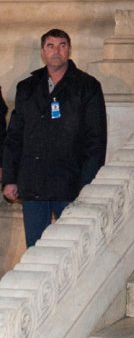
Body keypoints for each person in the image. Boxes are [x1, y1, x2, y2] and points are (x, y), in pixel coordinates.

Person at [2, 29, 107, 248]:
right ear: (43, 52)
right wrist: (10, 178)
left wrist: (86, 185)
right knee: (36, 248)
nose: (56, 51)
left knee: (73, 247)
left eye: (61, 45)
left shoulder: (87, 86)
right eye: (50, 46)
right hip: (33, 183)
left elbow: (95, 141)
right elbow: (14, 136)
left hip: (70, 184)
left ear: (69, 50)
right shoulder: (27, 87)